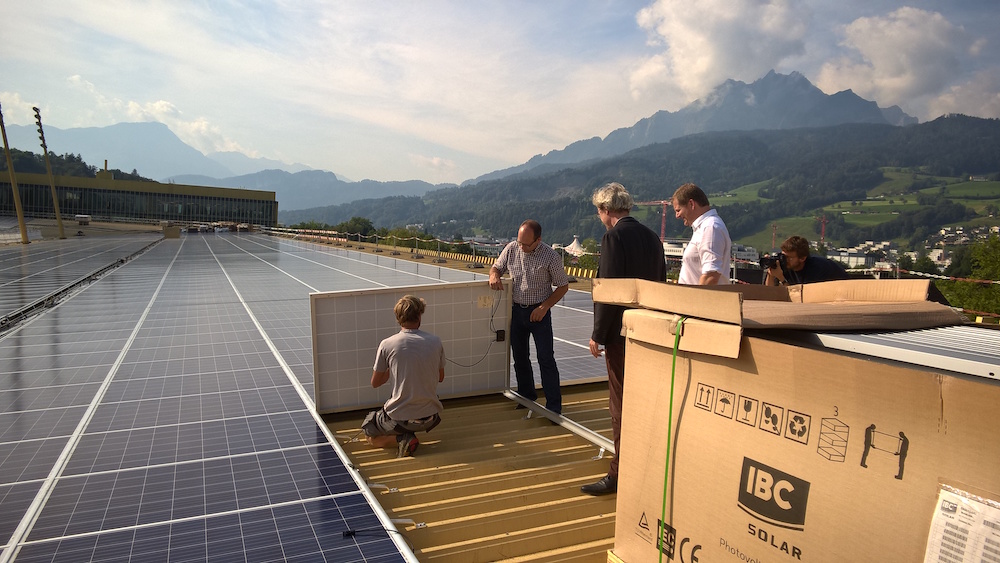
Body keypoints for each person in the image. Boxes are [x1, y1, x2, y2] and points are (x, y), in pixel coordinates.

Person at [583, 182, 667, 496]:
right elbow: (660, 283)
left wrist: (598, 334)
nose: (600, 217)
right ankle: (646, 466)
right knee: (645, 401)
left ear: (606, 210)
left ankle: (620, 475)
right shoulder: (652, 238)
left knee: (620, 404)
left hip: (622, 334)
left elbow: (609, 290)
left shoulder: (613, 237)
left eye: (599, 211)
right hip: (650, 329)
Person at [490, 220, 570, 414]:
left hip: (539, 313)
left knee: (545, 359)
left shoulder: (550, 256)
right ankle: (527, 397)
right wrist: (494, 275)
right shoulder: (511, 249)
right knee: (520, 358)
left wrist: (544, 307)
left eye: (527, 244)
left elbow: (563, 286)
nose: (522, 247)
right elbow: (496, 267)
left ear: (538, 240)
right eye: (520, 242)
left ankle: (553, 407)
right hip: (516, 311)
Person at [361, 295, 445, 458]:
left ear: (398, 318)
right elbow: (440, 377)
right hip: (431, 417)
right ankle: (406, 436)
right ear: (419, 316)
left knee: (369, 434)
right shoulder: (435, 341)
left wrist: (393, 368)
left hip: (400, 418)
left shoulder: (387, 344)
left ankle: (403, 438)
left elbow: (375, 383)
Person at [672, 183, 732, 285]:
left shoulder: (710, 228)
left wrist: (697, 300)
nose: (677, 216)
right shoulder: (706, 227)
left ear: (691, 204)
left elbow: (711, 275)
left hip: (698, 299)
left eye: (678, 210)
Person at [764, 235, 848, 286]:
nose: (784, 260)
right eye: (782, 256)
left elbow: (801, 297)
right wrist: (770, 274)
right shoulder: (786, 266)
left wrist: (782, 278)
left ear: (802, 258)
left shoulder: (817, 268)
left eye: (788, 257)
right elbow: (769, 293)